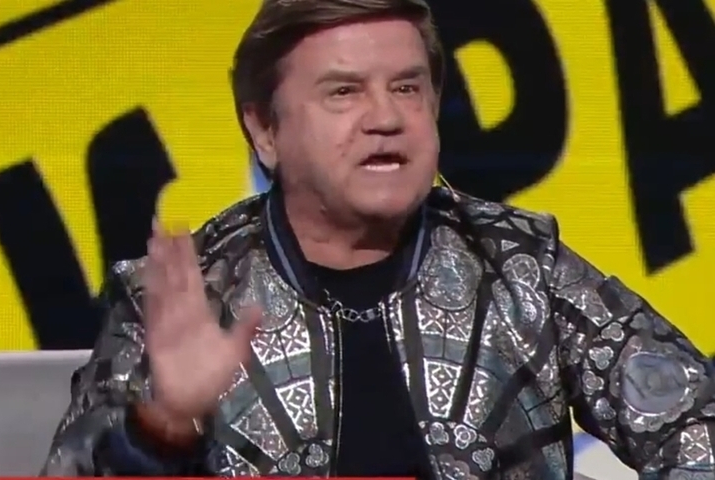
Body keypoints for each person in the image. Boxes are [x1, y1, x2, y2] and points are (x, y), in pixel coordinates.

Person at [41, 0, 715, 478]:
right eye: (343, 92)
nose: (386, 117)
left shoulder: (521, 265)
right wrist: (162, 430)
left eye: (407, 88)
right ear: (265, 130)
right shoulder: (185, 296)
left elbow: (696, 424)